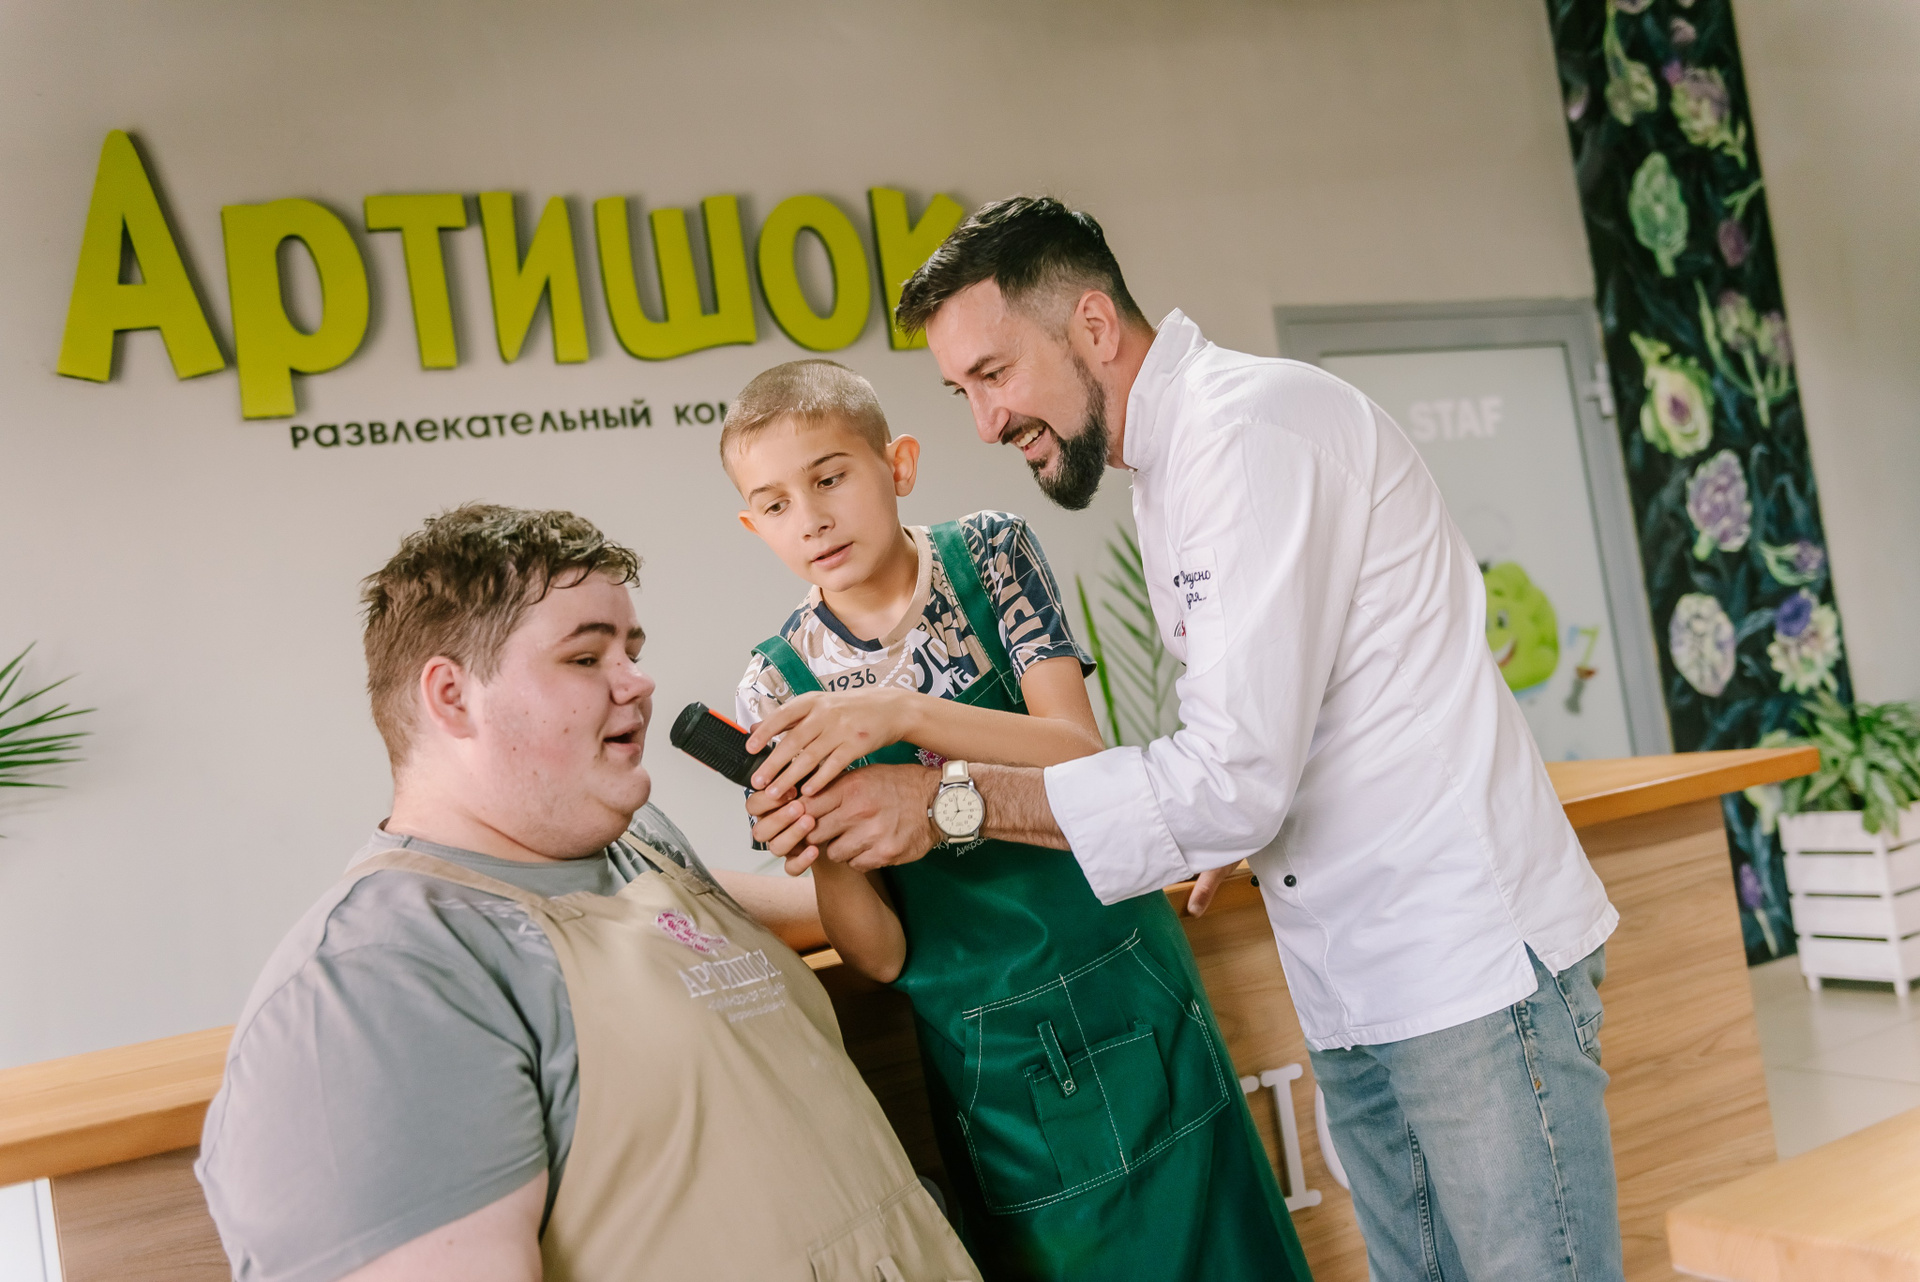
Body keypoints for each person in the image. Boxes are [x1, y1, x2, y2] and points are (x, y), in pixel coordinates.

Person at [751, 198, 1626, 1282]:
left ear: (1092, 325)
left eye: (995, 374)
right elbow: (1272, 729)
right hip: (1359, 975)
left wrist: (941, 801)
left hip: (1465, 969)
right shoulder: (1174, 468)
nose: (986, 421)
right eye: (962, 391)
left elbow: (1229, 780)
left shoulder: (1245, 440)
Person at [196, 503, 978, 1282]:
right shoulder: (371, 988)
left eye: (631, 649)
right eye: (584, 657)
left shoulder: (641, 848)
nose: (638, 681)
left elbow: (833, 922)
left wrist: (893, 820)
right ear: (452, 696)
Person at [722, 359, 1309, 1282]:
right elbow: (880, 959)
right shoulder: (773, 687)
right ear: (753, 527)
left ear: (898, 464)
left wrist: (903, 714)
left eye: (830, 477)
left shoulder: (989, 555)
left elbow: (1077, 754)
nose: (812, 518)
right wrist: (823, 849)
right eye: (776, 504)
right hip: (988, 1059)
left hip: (1129, 980)